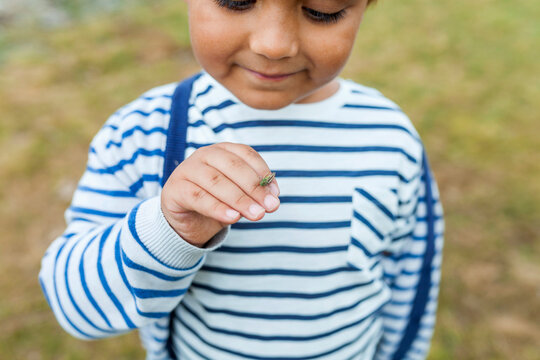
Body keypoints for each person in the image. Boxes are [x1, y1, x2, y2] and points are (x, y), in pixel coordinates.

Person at [39, 0, 444, 359]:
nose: (274, 44)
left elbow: (413, 283)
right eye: (236, 1)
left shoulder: (390, 137)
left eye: (322, 11)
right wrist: (168, 231)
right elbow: (75, 306)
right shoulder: (145, 134)